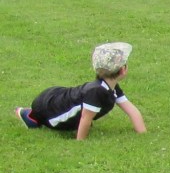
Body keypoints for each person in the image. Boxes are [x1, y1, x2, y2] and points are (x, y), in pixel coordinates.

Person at [15, 42, 147, 141]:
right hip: (47, 104)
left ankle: (32, 115)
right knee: (42, 116)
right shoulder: (96, 91)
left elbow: (132, 111)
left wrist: (143, 134)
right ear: (123, 70)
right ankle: (30, 116)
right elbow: (85, 118)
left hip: (54, 96)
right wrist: (81, 141)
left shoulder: (111, 87)